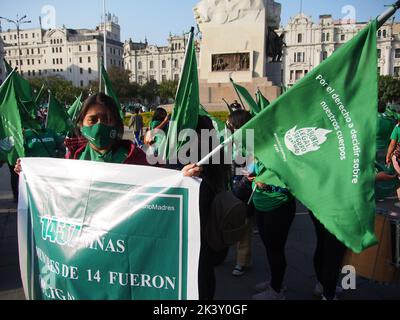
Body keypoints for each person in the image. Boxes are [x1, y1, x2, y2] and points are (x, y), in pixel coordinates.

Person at [308, 210, 346, 300]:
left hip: (318, 205)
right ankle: (328, 295)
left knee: (322, 244)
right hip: (336, 209)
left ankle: (323, 285)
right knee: (333, 254)